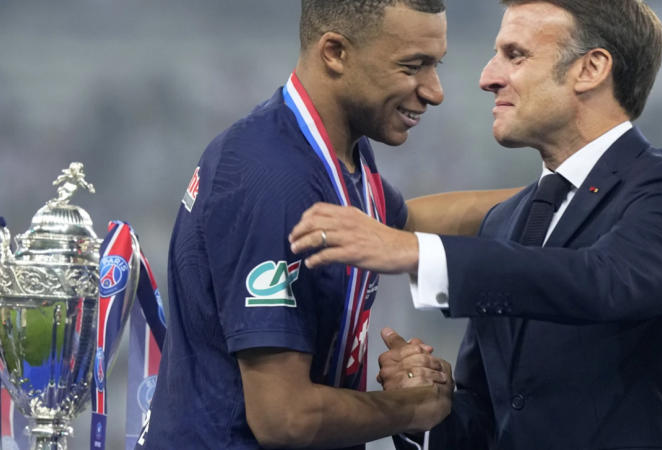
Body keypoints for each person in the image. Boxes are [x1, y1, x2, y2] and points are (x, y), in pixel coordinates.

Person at [289, 1, 662, 449]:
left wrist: (418, 250)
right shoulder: (505, 222)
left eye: (515, 55)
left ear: (591, 68)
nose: (488, 77)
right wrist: (423, 410)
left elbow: (606, 282)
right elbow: (489, 419)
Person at [136, 1, 523, 448]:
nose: (434, 91)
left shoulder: (332, 152)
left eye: (435, 65)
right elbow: (284, 417)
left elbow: (403, 226)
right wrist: (415, 406)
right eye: (413, 67)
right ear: (336, 52)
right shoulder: (273, 182)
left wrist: (557, 196)